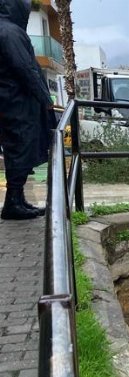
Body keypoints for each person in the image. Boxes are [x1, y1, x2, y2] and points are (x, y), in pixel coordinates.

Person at [0, 0, 52, 220]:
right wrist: (45, 97)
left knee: (18, 148)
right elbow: (25, 68)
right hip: (16, 103)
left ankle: (17, 198)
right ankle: (13, 202)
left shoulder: (7, 30)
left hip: (11, 101)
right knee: (20, 147)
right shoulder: (10, 32)